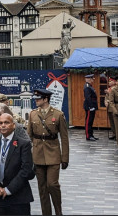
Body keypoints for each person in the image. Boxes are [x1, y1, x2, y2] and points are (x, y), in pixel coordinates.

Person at [27, 88, 68, 216]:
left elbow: (65, 138)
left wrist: (65, 158)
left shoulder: (58, 114)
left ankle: (58, 211)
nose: (36, 101)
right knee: (42, 189)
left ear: (45, 99)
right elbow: (29, 137)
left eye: (38, 99)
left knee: (52, 184)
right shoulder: (33, 114)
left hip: (53, 154)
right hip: (38, 155)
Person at [0, 112, 34, 215]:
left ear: (13, 125)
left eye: (6, 122)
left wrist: (8, 189)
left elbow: (26, 170)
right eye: (0, 123)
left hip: (18, 197)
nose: (3, 125)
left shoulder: (23, 144)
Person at [83, 74, 98, 141]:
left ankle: (91, 134)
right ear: (88, 79)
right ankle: (88, 136)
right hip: (89, 107)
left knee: (91, 121)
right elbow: (88, 98)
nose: (92, 80)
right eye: (91, 79)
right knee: (88, 122)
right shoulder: (87, 87)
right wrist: (90, 106)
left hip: (92, 106)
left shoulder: (90, 86)